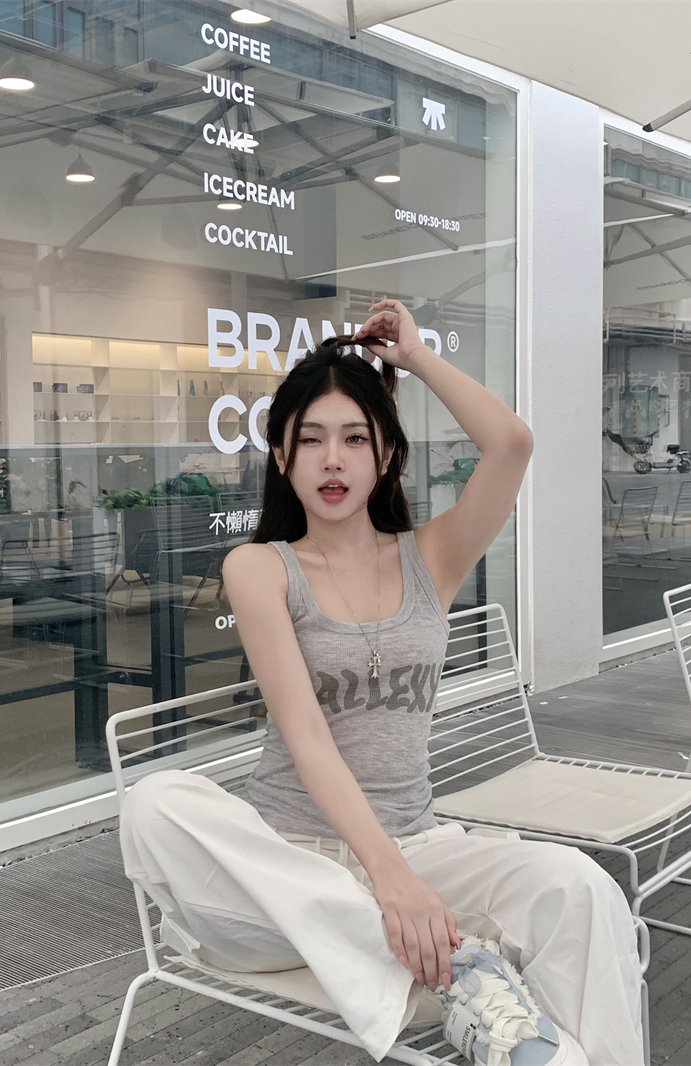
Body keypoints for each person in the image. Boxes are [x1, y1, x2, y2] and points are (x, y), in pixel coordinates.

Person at [120, 300, 644, 1065]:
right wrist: (389, 882)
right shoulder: (259, 568)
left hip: (417, 847)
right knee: (155, 802)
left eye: (355, 438)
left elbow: (512, 443)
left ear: (387, 454)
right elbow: (305, 735)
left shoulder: (433, 557)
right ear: (281, 457)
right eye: (311, 440)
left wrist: (417, 359)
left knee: (579, 886)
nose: (332, 460)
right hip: (284, 868)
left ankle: (475, 992)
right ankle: (461, 970)